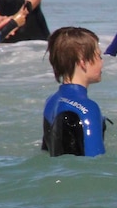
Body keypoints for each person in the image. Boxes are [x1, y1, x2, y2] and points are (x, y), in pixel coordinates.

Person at [42, 27, 108, 157]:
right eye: (99, 56)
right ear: (83, 62)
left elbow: (46, 153)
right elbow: (96, 162)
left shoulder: (51, 101)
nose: (102, 62)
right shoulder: (88, 108)